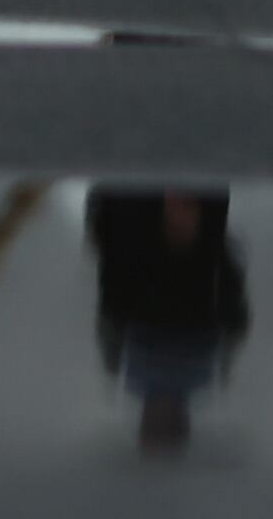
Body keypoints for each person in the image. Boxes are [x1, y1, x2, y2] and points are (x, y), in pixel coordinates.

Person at [87, 186, 249, 457]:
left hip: (174, 277)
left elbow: (232, 314)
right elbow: (112, 307)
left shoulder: (202, 373)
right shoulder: (137, 372)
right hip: (157, 279)